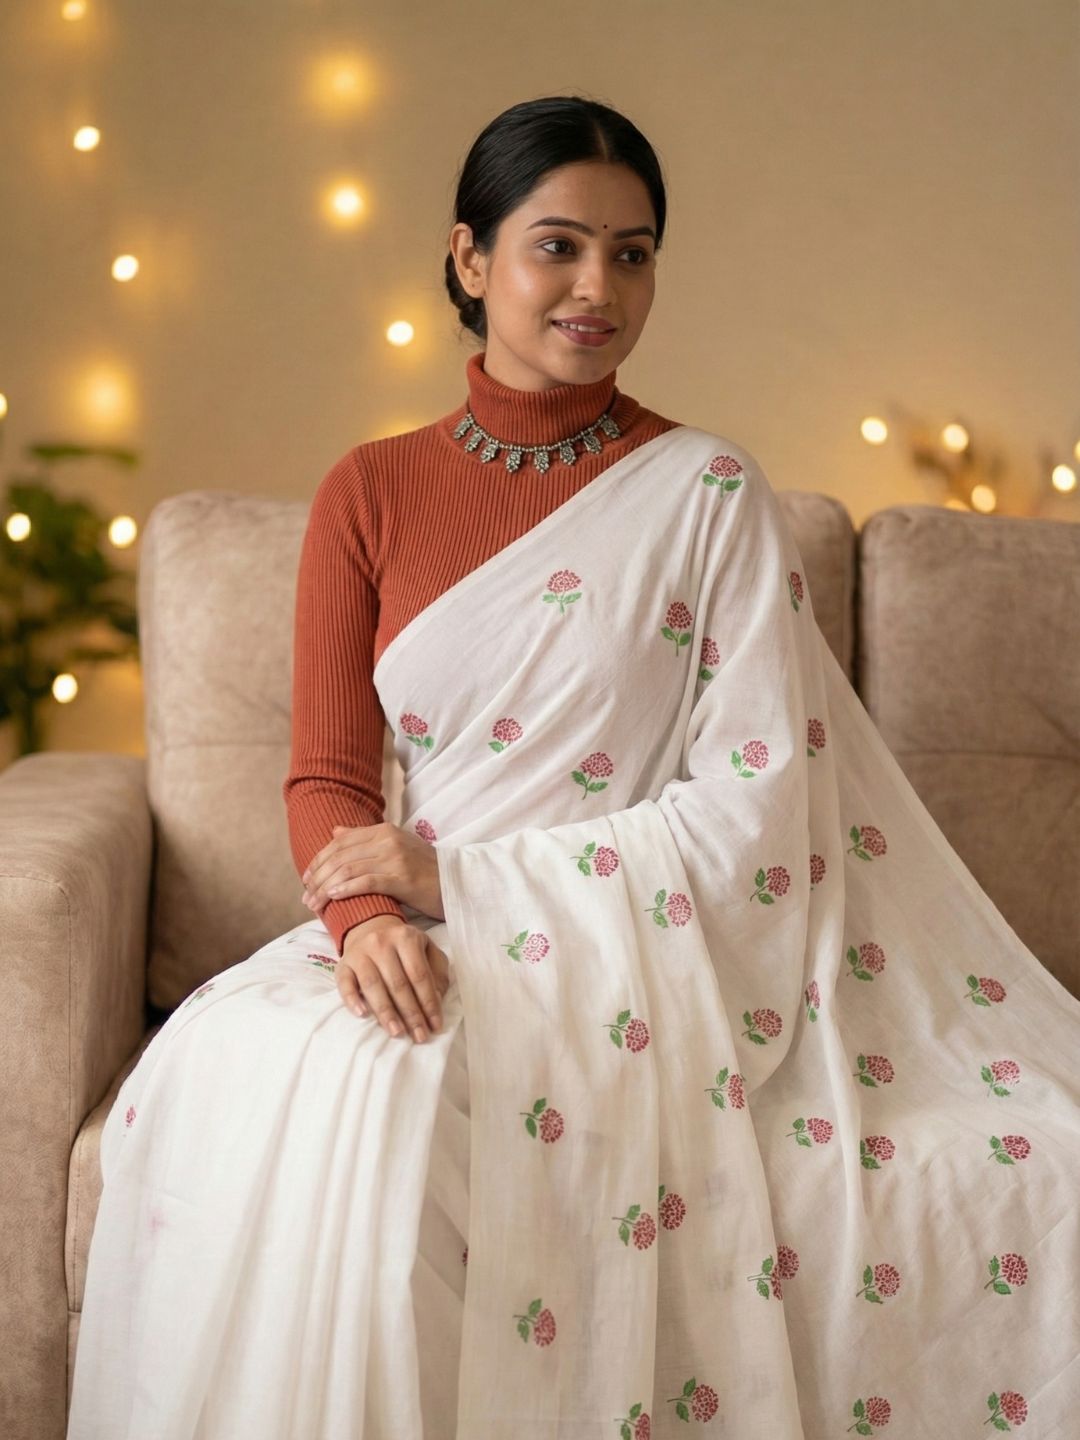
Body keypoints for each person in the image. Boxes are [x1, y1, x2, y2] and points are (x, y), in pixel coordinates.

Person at [67, 96, 1080, 1439]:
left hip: (638, 947)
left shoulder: (708, 493)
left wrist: (461, 879)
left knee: (414, 1101)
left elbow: (756, 809)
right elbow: (326, 780)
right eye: (559, 246)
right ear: (471, 257)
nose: (598, 287)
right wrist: (367, 916)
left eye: (633, 253)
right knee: (276, 1071)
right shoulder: (367, 491)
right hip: (421, 926)